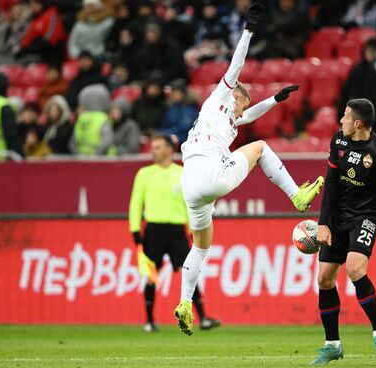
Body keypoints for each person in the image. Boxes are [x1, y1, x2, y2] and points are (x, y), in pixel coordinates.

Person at [173, 2, 324, 336]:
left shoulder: (224, 118)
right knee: (261, 148)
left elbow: (249, 115)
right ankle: (296, 195)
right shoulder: (221, 95)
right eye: (245, 99)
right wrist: (248, 30)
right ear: (235, 95)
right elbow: (236, 63)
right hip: (211, 173)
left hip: (191, 181)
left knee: (200, 245)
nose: (245, 106)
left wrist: (274, 101)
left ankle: (185, 302)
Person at [311, 98, 376, 365]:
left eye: (345, 116)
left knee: (354, 268)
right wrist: (323, 222)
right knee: (325, 279)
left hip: (366, 216)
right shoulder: (338, 142)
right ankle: (332, 345)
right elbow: (330, 182)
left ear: (358, 123)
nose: (340, 120)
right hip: (338, 216)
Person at [129, 134, 221, 332]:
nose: (154, 150)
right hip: (153, 229)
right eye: (153, 147)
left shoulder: (182, 173)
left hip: (177, 230)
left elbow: (190, 205)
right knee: (151, 274)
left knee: (189, 271)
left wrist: (191, 230)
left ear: (170, 150)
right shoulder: (144, 174)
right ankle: (149, 321)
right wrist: (135, 230)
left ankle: (203, 318)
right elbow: (136, 203)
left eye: (158, 147)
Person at [69, 84, 115, 155]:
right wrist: (96, 155)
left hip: (81, 158)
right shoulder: (102, 118)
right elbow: (107, 139)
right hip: (101, 160)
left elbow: (72, 142)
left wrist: (78, 155)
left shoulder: (81, 118)